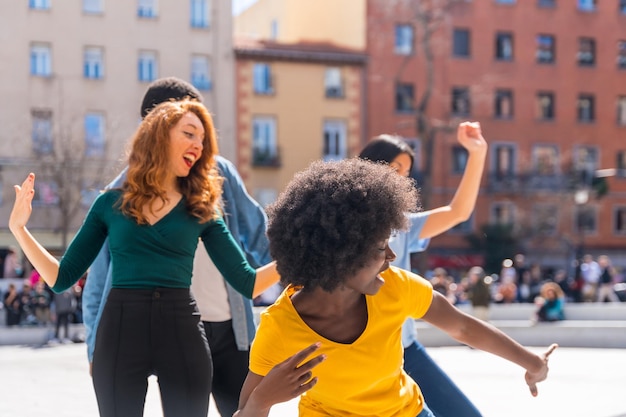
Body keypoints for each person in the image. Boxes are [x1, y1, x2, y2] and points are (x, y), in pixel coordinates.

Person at [9, 99, 280, 417]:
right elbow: (61, 277)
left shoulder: (202, 210)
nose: (199, 144)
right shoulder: (108, 204)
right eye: (190, 133)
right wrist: (19, 228)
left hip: (182, 330)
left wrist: (300, 259)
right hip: (120, 330)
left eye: (203, 140)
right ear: (161, 135)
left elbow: (247, 283)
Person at [234, 159, 557, 417]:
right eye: (379, 248)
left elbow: (462, 326)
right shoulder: (280, 329)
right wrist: (262, 402)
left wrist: (532, 363)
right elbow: (246, 410)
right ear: (338, 255)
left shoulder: (396, 287)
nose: (391, 257)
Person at [83, 77, 272, 417]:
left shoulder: (217, 174)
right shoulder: (118, 192)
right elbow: (98, 279)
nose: (194, 143)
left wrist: (299, 270)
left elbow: (259, 234)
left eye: (198, 131)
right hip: (145, 325)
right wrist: (95, 346)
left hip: (227, 330)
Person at [357, 122, 487, 416]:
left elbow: (459, 212)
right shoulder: (341, 221)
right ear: (372, 167)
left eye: (407, 172)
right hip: (367, 356)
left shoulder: (403, 224)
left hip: (407, 347)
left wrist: (477, 153)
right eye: (396, 168)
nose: (403, 179)